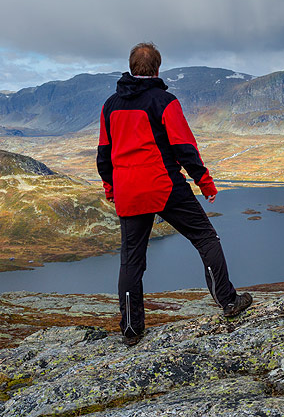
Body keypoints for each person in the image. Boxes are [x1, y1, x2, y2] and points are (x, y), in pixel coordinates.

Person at [96, 42, 252, 347]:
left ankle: (130, 328)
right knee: (206, 239)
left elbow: (104, 154)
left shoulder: (110, 105)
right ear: (157, 69)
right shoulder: (164, 101)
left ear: (131, 68)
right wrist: (204, 182)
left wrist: (111, 186)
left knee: (131, 260)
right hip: (163, 185)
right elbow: (184, 148)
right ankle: (228, 301)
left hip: (129, 190)